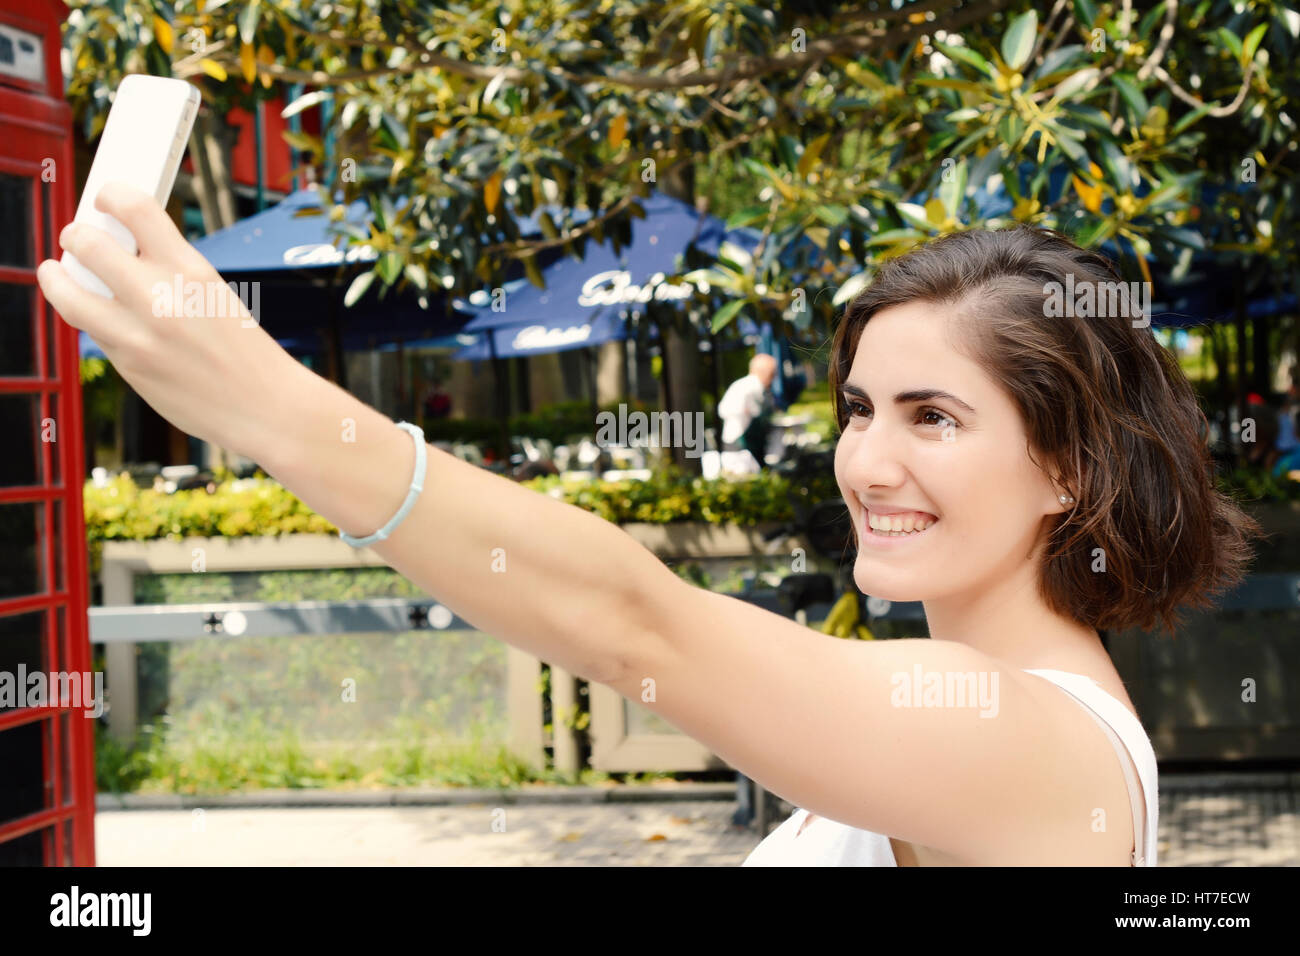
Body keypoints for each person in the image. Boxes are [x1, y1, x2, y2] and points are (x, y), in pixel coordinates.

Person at [40, 184, 1263, 866]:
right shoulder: (965, 706)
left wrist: (275, 408)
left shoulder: (1018, 731)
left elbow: (640, 625)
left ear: (1065, 465)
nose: (867, 460)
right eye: (856, 408)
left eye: (933, 416)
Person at [717, 352, 777, 470]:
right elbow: (756, 414)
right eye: (773, 373)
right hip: (741, 449)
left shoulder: (741, 384)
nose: (774, 377)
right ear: (766, 372)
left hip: (737, 446)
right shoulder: (753, 387)